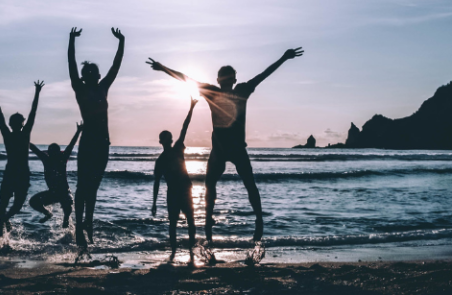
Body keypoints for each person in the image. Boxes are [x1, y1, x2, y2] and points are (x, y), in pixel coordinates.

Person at [147, 48, 304, 243]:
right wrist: (163, 68)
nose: (227, 82)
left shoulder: (240, 90)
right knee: (210, 184)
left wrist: (283, 58)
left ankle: (258, 219)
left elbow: (264, 75)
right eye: (225, 79)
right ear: (220, 80)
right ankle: (209, 224)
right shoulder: (215, 92)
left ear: (232, 81)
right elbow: (185, 78)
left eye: (229, 79)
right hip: (220, 151)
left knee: (249, 184)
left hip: (237, 148)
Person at [68, 26, 125, 247]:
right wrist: (71, 41)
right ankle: (79, 227)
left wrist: (121, 42)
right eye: (87, 73)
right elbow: (72, 65)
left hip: (103, 144)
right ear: (84, 77)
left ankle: (88, 224)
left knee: (93, 187)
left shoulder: (103, 88)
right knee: (83, 186)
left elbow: (116, 66)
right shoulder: (80, 90)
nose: (91, 75)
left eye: (94, 73)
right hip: (89, 143)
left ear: (98, 76)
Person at [0, 80, 44, 236]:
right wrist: (37, 92)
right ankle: (4, 221)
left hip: (15, 172)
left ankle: (3, 221)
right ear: (18, 124)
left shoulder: (12, 135)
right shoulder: (18, 134)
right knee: (10, 204)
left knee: (7, 204)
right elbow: (33, 112)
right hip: (18, 172)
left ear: (14, 124)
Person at [152, 97, 198, 260]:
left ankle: (188, 250)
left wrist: (191, 108)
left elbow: (185, 127)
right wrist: (154, 203)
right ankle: (177, 251)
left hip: (182, 191)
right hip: (177, 192)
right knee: (178, 223)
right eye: (166, 138)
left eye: (168, 137)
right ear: (164, 141)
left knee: (187, 221)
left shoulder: (175, 150)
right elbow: (156, 182)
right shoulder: (163, 159)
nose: (168, 140)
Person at [29, 122, 83, 228]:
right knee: (33, 202)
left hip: (64, 192)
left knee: (68, 204)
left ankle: (66, 218)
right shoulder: (46, 159)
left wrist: (78, 131)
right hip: (52, 193)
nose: (53, 154)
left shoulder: (62, 159)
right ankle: (48, 213)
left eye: (55, 152)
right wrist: (22, 136)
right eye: (51, 152)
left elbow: (71, 145)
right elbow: (33, 148)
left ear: (58, 152)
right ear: (49, 152)